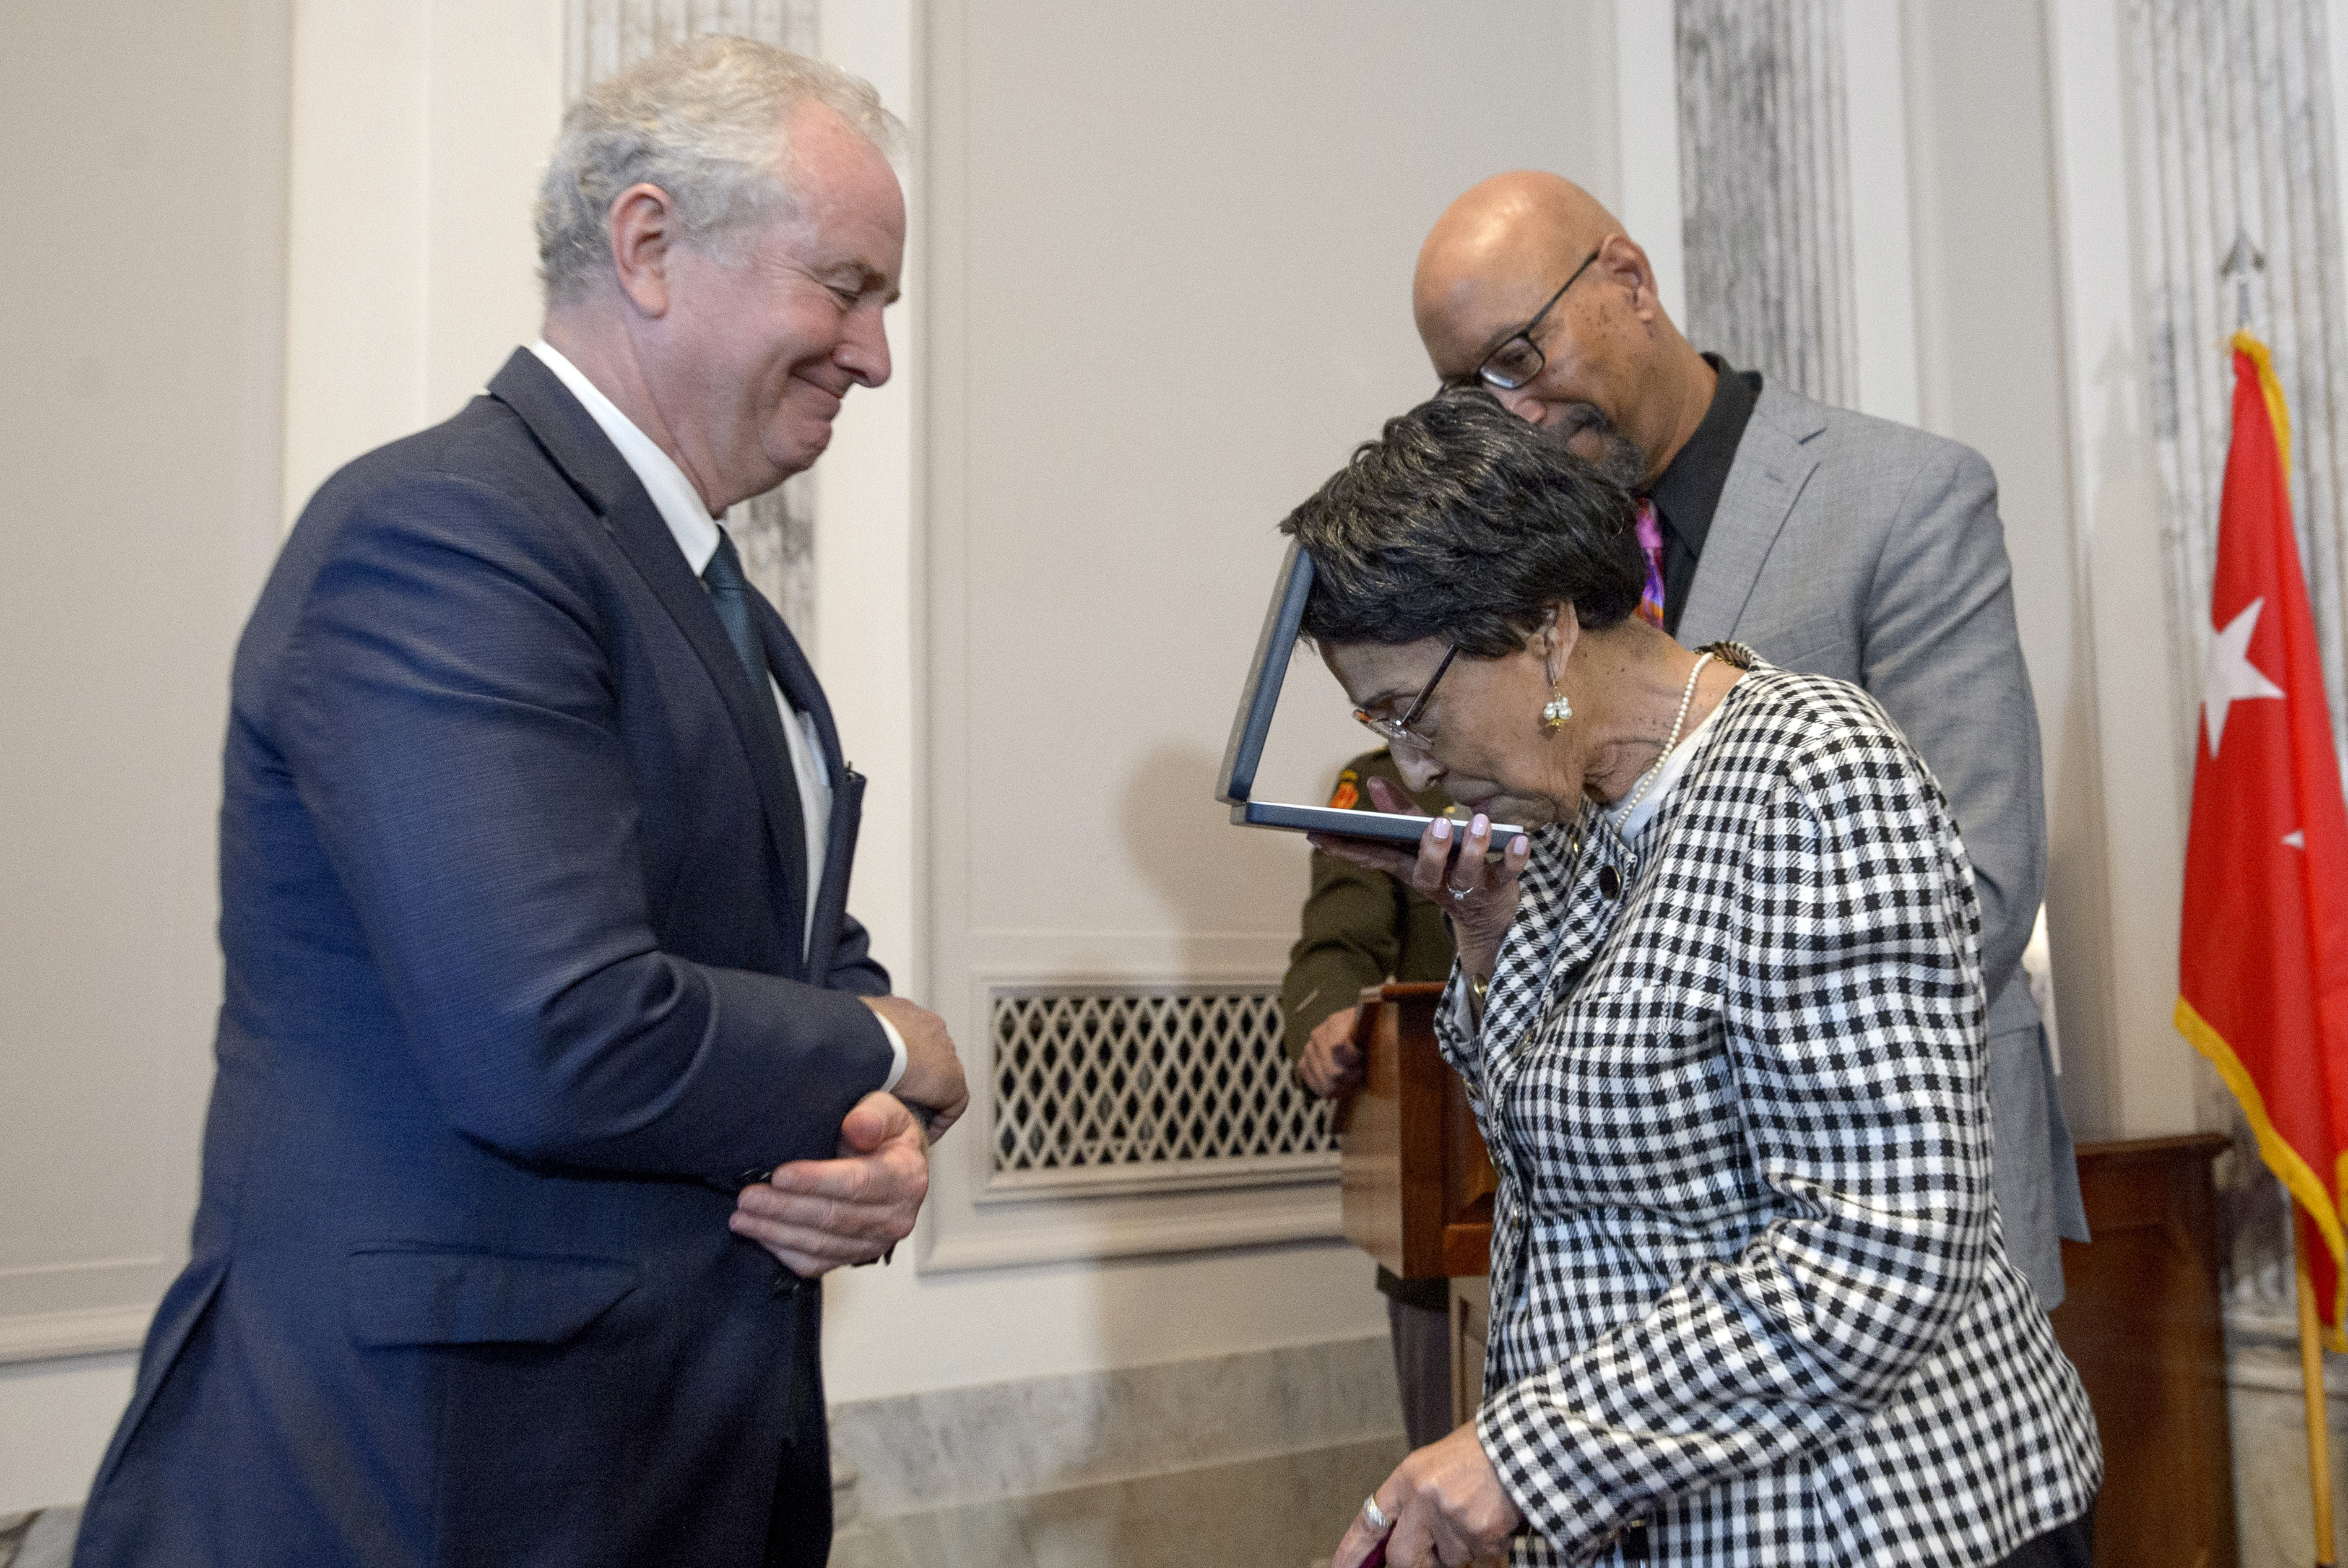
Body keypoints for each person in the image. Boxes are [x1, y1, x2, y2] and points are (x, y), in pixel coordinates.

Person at [73, 38, 966, 1568]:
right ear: (648, 246)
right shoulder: (443, 535)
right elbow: (558, 1032)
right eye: (844, 286)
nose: (876, 353)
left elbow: (783, 953)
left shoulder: (679, 575)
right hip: (424, 1483)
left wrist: (872, 1134)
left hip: (628, 1465)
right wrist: (895, 1046)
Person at [1290, 391, 2100, 1568]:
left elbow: (1884, 1249)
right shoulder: (1573, 800)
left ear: (1544, 631)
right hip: (1670, 1514)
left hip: (1876, 1520)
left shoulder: (1810, 775)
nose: (1408, 765)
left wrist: (1528, 1453)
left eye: (1410, 712)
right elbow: (1547, 1157)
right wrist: (1476, 931)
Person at [1412, 172, 2086, 1308]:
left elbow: (1974, 888)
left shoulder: (1905, 499)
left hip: (1892, 1233)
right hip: (1648, 1274)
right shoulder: (1535, 585)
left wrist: (1641, 1059)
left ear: (1627, 280)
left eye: (1520, 358)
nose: (1511, 415)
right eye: (1468, 392)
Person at [1283, 751, 1459, 1446]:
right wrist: (1329, 1017)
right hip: (1446, 1188)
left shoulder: (1581, 764)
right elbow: (1337, 944)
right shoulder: (1384, 780)